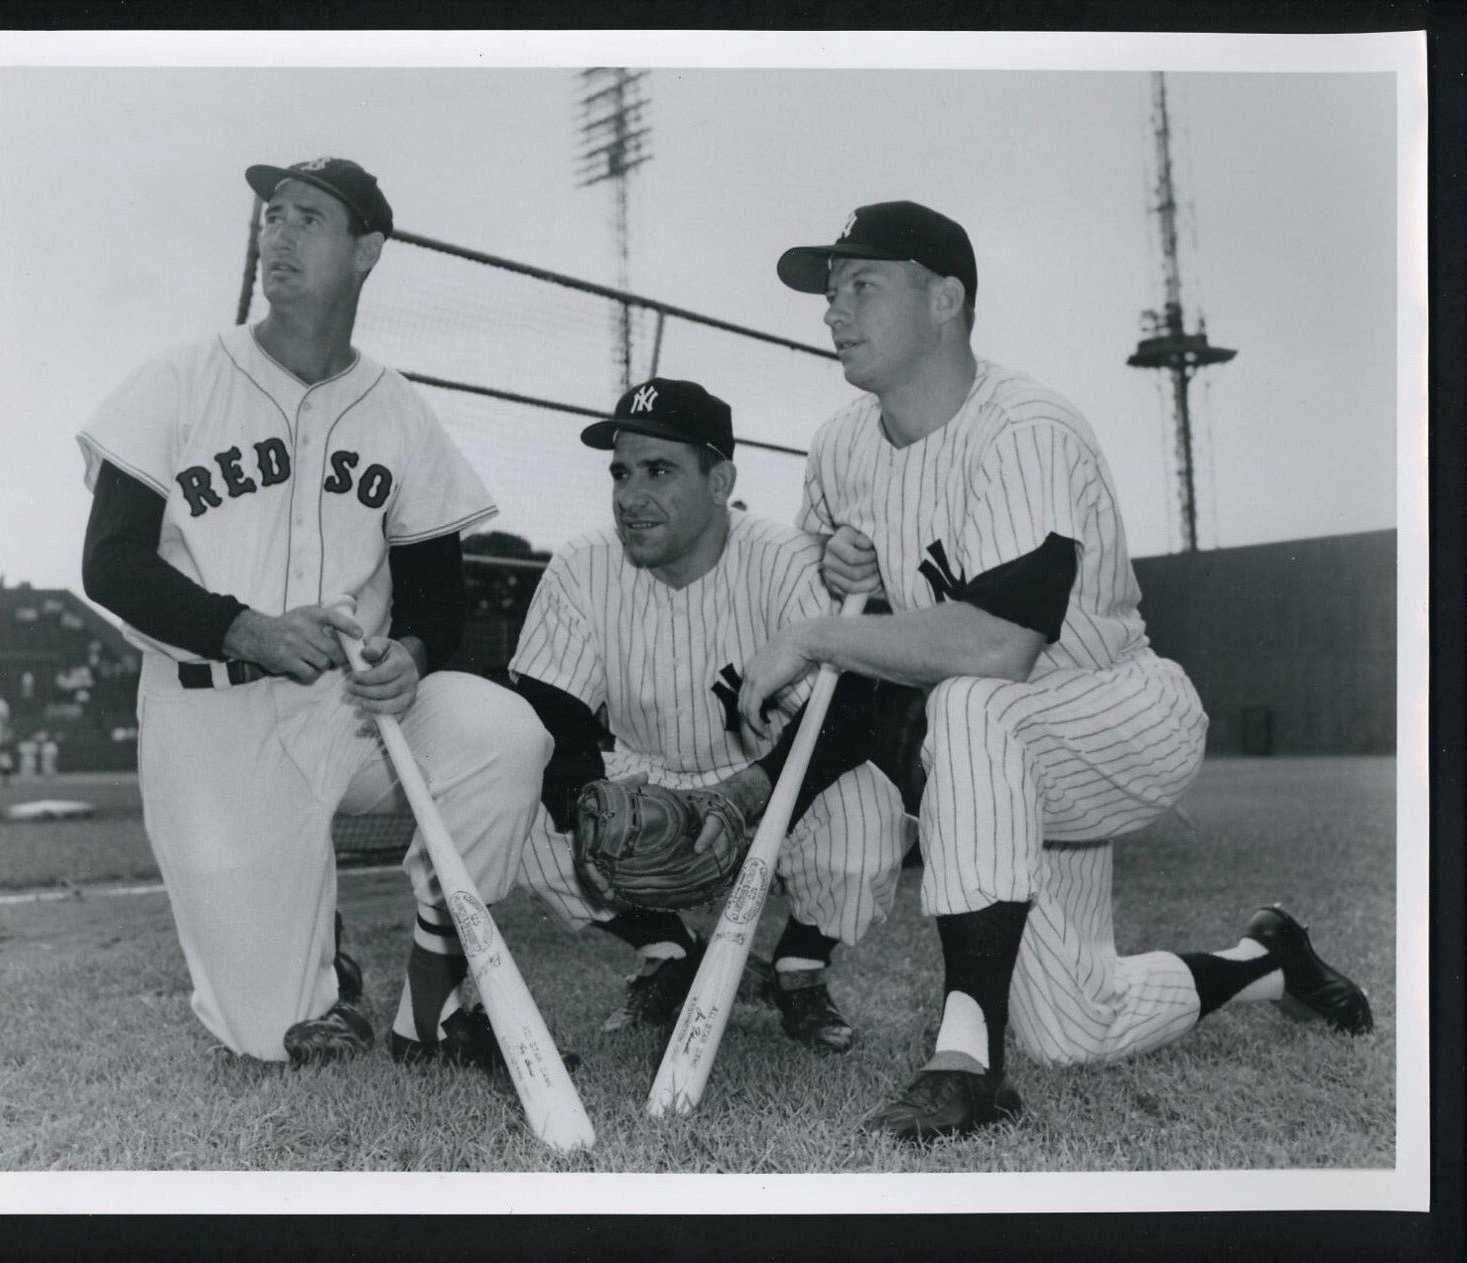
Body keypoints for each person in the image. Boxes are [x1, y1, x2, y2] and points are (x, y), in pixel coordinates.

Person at [736, 201, 1372, 1141]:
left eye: (862, 285)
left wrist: (818, 636)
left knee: (971, 704)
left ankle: (966, 1062)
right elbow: (860, 593)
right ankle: (1269, 957)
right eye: (831, 293)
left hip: (1117, 712)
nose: (835, 311)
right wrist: (842, 567)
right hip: (998, 770)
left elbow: (1000, 646)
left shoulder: (1026, 427)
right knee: (1075, 1026)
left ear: (945, 297)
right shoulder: (840, 445)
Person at [77, 157, 554, 1070]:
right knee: (274, 1037)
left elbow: (436, 593)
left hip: (356, 711)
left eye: (308, 217)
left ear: (367, 249)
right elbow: (110, 563)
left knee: (503, 737)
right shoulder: (179, 380)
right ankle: (313, 942)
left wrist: (411, 652)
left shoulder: (398, 408)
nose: (279, 234)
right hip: (210, 712)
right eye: (271, 216)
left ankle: (433, 993)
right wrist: (245, 627)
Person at [509, 377, 908, 1051]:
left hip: (772, 776)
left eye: (659, 471)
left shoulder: (785, 558)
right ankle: (670, 951)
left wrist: (750, 791)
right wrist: (588, 805)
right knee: (515, 807)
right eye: (621, 472)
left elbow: (852, 717)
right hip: (643, 776)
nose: (630, 496)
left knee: (868, 815)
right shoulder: (582, 564)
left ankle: (798, 968)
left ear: (719, 479)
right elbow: (553, 714)